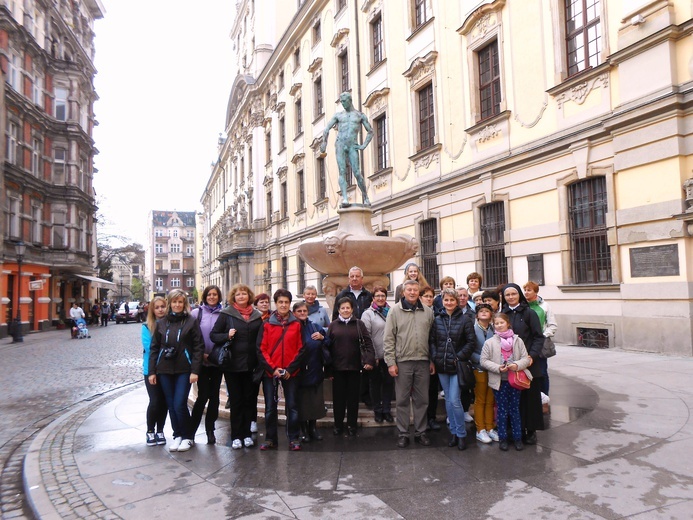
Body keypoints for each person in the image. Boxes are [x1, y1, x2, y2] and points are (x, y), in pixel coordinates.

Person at [148, 289, 204, 453]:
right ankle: (177, 434)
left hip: (184, 369)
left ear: (184, 304)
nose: (177, 305)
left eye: (180, 302)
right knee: (171, 404)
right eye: (174, 302)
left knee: (180, 403)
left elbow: (198, 347)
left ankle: (187, 436)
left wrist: (195, 370)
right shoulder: (161, 323)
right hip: (164, 369)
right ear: (169, 303)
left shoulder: (191, 321)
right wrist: (152, 371)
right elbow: (154, 348)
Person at [210, 284, 263, 449]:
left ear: (249, 296)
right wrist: (227, 335)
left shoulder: (256, 316)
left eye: (244, 294)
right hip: (232, 365)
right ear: (234, 297)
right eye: (238, 294)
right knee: (236, 401)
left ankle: (247, 434)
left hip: (250, 365)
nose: (241, 297)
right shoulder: (227, 314)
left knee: (249, 400)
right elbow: (214, 335)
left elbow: (261, 341)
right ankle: (236, 436)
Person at [383, 279, 435, 448]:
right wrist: (391, 362)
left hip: (423, 361)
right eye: (409, 290)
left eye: (415, 289)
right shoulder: (394, 312)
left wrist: (431, 360)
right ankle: (403, 433)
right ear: (403, 292)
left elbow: (432, 338)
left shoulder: (427, 311)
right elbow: (389, 338)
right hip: (403, 361)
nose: (412, 292)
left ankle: (421, 432)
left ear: (418, 292)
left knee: (422, 399)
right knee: (402, 399)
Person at [256, 289, 305, 451]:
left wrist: (290, 368)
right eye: (280, 302)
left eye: (286, 302)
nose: (283, 305)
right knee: (270, 407)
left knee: (292, 406)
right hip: (271, 372)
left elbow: (301, 348)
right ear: (275, 304)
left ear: (289, 304)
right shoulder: (267, 324)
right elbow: (261, 349)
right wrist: (272, 368)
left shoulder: (297, 324)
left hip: (292, 372)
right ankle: (270, 438)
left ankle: (293, 438)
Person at [428, 288, 474, 451]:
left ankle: (461, 434)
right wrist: (435, 356)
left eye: (452, 300)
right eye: (446, 300)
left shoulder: (465, 319)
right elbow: (432, 340)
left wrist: (459, 357)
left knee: (455, 400)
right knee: (448, 399)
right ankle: (453, 432)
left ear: (456, 301)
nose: (449, 303)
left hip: (456, 366)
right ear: (442, 300)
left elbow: (470, 342)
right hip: (442, 365)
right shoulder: (437, 319)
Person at [501, 283, 545, 445]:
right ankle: (514, 429)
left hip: (528, 362)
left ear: (519, 294)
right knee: (513, 399)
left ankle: (531, 429)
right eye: (507, 295)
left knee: (530, 398)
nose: (511, 297)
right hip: (509, 363)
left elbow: (538, 337)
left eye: (514, 294)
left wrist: (532, 356)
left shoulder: (529, 313)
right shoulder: (502, 314)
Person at [481, 313, 532, 451]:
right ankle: (503, 438)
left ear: (508, 323)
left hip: (515, 381)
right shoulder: (490, 342)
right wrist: (498, 368)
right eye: (496, 323)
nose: (499, 325)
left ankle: (517, 438)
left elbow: (525, 358)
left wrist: (516, 365)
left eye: (501, 323)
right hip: (499, 381)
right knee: (502, 411)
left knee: (515, 409)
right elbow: (484, 360)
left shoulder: (518, 341)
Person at [327, 297, 375, 436]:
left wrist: (369, 360)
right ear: (339, 310)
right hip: (338, 369)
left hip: (355, 368)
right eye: (343, 308)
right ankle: (338, 425)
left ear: (352, 309)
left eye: (348, 307)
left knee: (353, 399)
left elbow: (367, 343)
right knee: (338, 400)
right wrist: (328, 369)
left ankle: (352, 425)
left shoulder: (359, 324)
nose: (345, 310)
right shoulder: (333, 325)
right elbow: (327, 348)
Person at [320, 91, 374, 206]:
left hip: (352, 145)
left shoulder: (359, 116)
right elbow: (326, 129)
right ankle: (345, 198)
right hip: (340, 144)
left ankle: (365, 197)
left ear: (350, 101)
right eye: (341, 102)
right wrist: (324, 143)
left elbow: (370, 132)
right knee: (342, 172)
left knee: (357, 173)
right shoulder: (338, 116)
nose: (343, 104)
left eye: (344, 101)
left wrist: (364, 145)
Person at [190, 285, 224, 445]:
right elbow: (191, 337)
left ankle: (210, 429)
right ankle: (192, 430)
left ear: (219, 296)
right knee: (203, 396)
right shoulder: (197, 313)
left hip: (217, 362)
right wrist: (200, 355)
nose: (212, 297)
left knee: (215, 397)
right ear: (205, 296)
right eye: (209, 294)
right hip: (201, 361)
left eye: (215, 294)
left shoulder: (223, 313)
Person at [292, 301, 328, 442]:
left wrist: (322, 337)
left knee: (314, 402)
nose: (302, 313)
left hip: (315, 369)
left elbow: (329, 342)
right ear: (294, 313)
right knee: (301, 402)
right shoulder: (291, 327)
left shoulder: (315, 327)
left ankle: (313, 427)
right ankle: (303, 429)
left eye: (304, 311)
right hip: (298, 371)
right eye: (299, 311)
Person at [361, 286, 394, 423]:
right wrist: (372, 355)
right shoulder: (368, 314)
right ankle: (377, 410)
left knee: (388, 383)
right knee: (375, 383)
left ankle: (386, 409)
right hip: (375, 355)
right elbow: (366, 336)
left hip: (389, 354)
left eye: (383, 296)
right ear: (373, 298)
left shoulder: (391, 312)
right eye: (378, 296)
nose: (380, 298)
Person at [469, 303, 498, 444]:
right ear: (477, 315)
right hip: (478, 368)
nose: (484, 313)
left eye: (487, 311)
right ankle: (480, 429)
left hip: (493, 370)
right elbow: (470, 349)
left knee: (490, 399)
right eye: (482, 311)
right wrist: (482, 361)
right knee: (480, 399)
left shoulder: (495, 329)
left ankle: (490, 427)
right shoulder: (473, 329)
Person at [142, 296, 168, 447]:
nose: (160, 309)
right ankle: (150, 430)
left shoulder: (169, 324)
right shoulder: (147, 326)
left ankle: (160, 430)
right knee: (155, 401)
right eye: (157, 307)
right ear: (152, 309)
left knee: (164, 401)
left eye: (162, 306)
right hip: (151, 369)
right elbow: (149, 347)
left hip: (166, 369)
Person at [523, 281, 557, 396]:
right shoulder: (523, 306)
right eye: (525, 290)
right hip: (525, 343)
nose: (526, 293)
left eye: (529, 290)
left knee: (542, 371)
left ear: (536, 292)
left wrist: (543, 336)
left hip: (540, 344)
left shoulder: (545, 306)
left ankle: (544, 397)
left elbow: (552, 325)